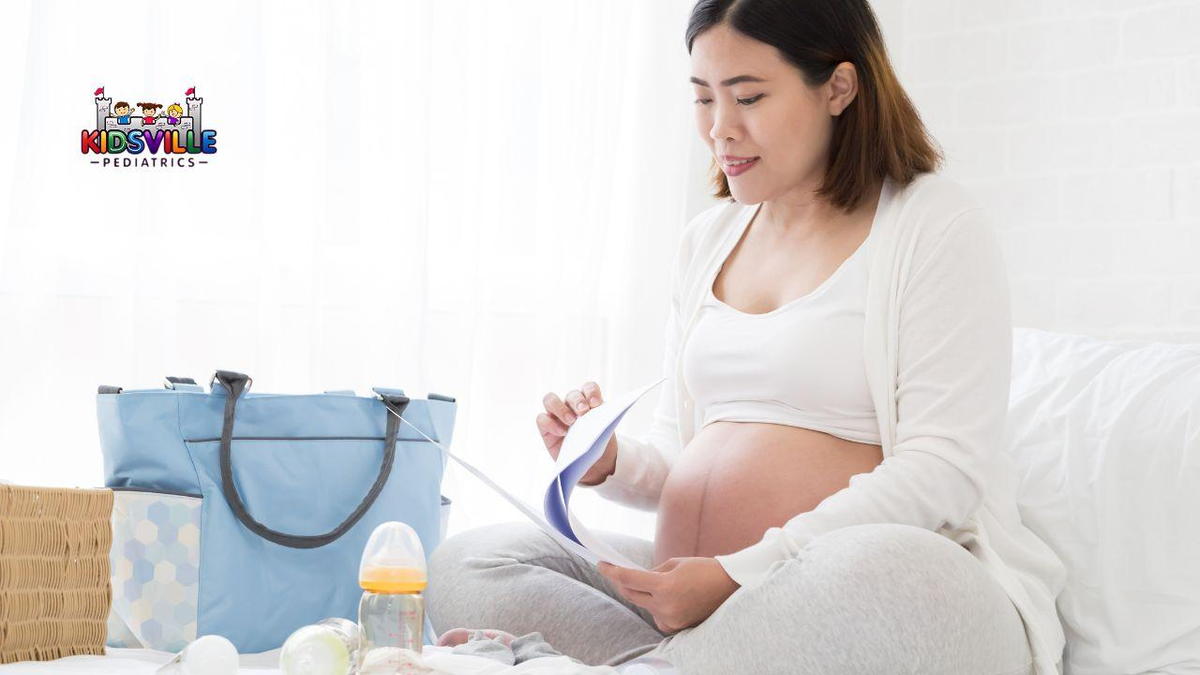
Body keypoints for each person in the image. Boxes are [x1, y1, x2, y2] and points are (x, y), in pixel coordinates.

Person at [426, 1, 1067, 673]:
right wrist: (610, 462)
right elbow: (686, 454)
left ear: (839, 88)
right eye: (703, 98)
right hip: (702, 603)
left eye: (749, 97)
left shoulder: (932, 226)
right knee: (470, 560)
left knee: (886, 566)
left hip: (865, 591)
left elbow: (943, 472)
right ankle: (678, 662)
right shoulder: (708, 240)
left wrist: (741, 571)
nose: (719, 129)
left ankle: (649, 662)